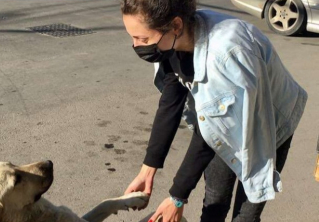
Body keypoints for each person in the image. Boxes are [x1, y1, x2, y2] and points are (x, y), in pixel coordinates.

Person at [119, 0, 308, 222]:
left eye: (143, 39)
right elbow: (171, 102)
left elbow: (206, 135)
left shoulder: (225, 57)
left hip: (268, 117)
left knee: (246, 214)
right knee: (215, 197)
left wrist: (177, 197)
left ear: (176, 26)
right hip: (224, 112)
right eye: (133, 37)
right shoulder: (172, 42)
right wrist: (147, 170)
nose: (137, 46)